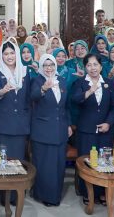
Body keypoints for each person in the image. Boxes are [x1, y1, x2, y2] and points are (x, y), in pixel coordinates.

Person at [71, 53, 114, 205]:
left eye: (95, 64)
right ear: (85, 67)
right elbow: (75, 100)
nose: (93, 68)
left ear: (101, 66)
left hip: (105, 131)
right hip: (86, 130)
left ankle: (103, 192)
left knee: (104, 162)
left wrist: (108, 123)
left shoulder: (109, 83)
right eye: (89, 65)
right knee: (87, 162)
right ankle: (87, 193)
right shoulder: (80, 83)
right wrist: (89, 91)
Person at [0, 40, 30, 204]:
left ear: (17, 54)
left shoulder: (25, 71)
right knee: (3, 161)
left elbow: (28, 98)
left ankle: (16, 196)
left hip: (20, 124)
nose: (9, 56)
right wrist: (2, 91)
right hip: (3, 124)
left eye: (12, 53)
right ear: (1, 55)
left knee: (18, 161)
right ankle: (4, 196)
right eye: (6, 53)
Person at [30, 54, 72, 207]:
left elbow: (65, 106)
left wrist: (68, 125)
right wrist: (43, 88)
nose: (49, 68)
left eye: (51, 65)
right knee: (44, 165)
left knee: (58, 165)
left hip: (60, 130)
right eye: (46, 65)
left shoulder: (62, 80)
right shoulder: (37, 80)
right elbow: (33, 96)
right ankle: (43, 196)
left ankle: (55, 196)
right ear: (41, 66)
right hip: (43, 131)